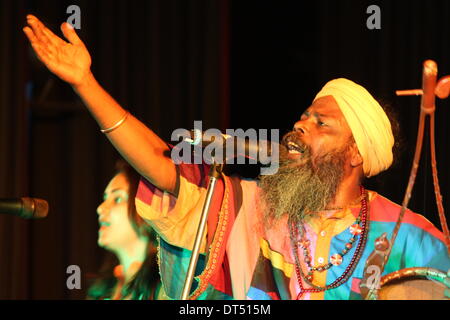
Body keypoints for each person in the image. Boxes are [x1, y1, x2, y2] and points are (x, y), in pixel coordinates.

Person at [23, 15, 450, 300]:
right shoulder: (253, 208)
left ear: (356, 153)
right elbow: (163, 166)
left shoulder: (411, 237)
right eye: (303, 117)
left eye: (322, 124)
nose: (301, 126)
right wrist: (85, 83)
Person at [87, 160, 164, 300]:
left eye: (117, 199)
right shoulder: (103, 289)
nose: (100, 208)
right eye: (105, 198)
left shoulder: (168, 286)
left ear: (146, 208)